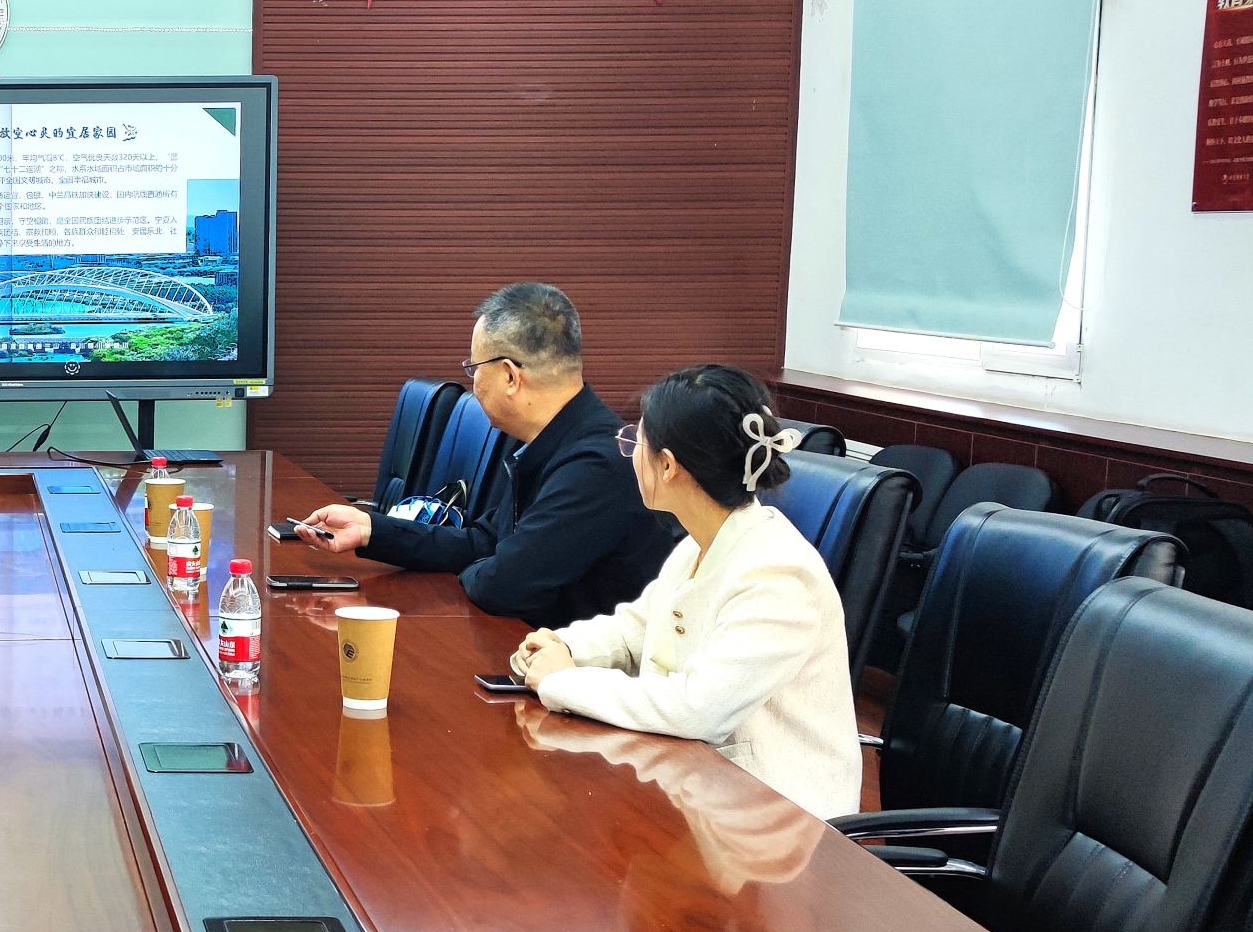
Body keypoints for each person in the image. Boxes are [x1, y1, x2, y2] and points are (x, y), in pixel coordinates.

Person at [509, 364, 860, 817]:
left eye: (636, 443)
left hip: (780, 820)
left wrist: (563, 681)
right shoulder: (700, 542)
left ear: (668, 466)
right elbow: (635, 630)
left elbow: (700, 708)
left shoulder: (779, 573)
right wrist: (564, 647)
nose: (630, 455)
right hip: (699, 786)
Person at [301, 282, 672, 628]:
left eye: (474, 368)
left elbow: (505, 586)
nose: (472, 381)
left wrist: (483, 565)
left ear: (510, 376)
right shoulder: (555, 439)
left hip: (579, 668)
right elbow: (483, 542)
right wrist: (371, 530)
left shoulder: (596, 465)